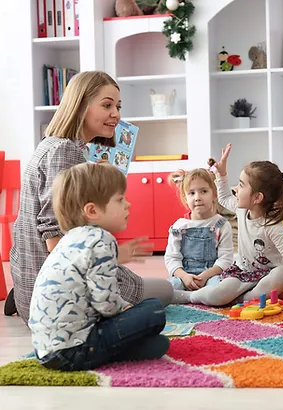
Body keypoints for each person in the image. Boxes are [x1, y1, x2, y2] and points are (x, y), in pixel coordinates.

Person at [7, 71, 173, 321]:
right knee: (166, 291)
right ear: (81, 104)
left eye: (117, 106)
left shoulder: (55, 143)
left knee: (150, 284)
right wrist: (112, 256)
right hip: (59, 290)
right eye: (107, 105)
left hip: (35, 274)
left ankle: (20, 297)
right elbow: (54, 236)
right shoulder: (65, 150)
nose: (115, 114)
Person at [29, 162, 169, 371]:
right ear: (92, 210)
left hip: (46, 351)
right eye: (120, 199)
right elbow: (106, 305)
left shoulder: (69, 240)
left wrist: (123, 307)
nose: (128, 205)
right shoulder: (101, 239)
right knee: (154, 310)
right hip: (75, 350)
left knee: (157, 343)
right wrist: (126, 309)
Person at [172, 144, 283, 309]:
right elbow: (224, 197)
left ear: (257, 198)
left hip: (268, 276)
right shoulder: (241, 209)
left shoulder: (272, 226)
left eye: (241, 185)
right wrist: (222, 174)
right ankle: (190, 297)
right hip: (242, 273)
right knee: (217, 293)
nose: (235, 189)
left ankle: (239, 299)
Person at [165, 167, 233, 290]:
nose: (197, 197)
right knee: (168, 288)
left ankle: (193, 297)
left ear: (215, 194)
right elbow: (172, 258)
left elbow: (226, 259)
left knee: (222, 288)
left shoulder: (222, 225)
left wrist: (205, 276)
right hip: (183, 277)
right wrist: (184, 277)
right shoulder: (179, 226)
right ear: (185, 198)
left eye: (203, 191)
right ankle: (194, 297)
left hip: (212, 277)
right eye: (192, 193)